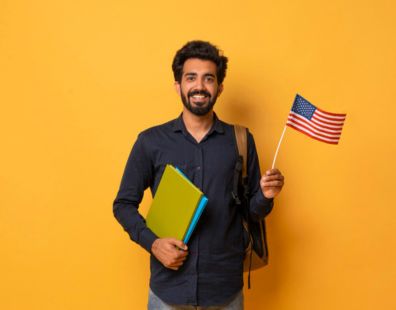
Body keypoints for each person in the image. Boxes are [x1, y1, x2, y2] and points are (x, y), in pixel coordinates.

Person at [113, 40, 284, 309]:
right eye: (191, 77)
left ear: (219, 87)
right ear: (178, 85)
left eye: (208, 79)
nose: (200, 86)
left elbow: (252, 212)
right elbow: (123, 204)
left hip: (225, 290)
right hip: (168, 290)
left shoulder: (240, 140)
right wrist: (153, 243)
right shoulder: (151, 141)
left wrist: (265, 196)